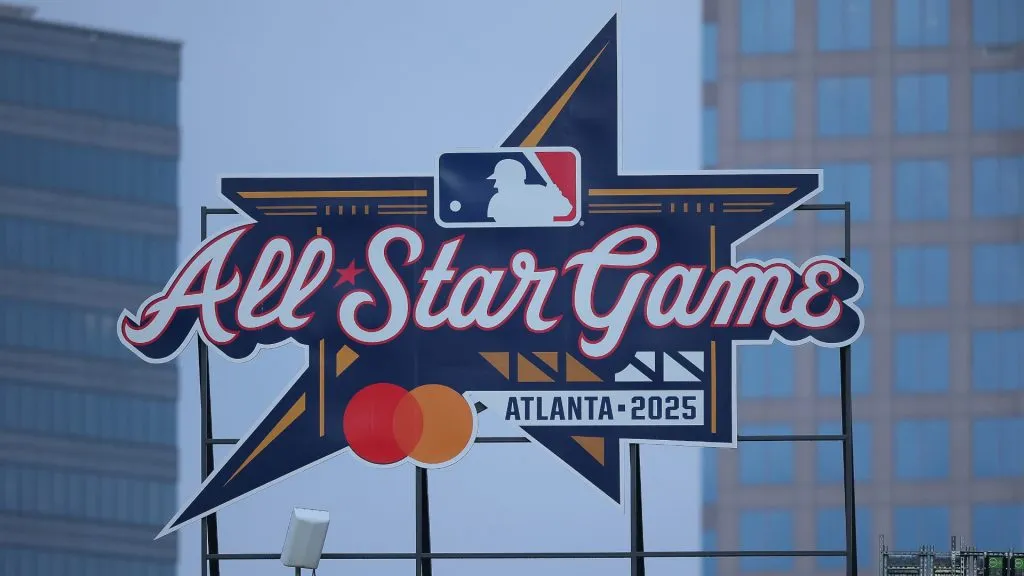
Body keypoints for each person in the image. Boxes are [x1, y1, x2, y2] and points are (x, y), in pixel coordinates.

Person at [485, 158, 571, 225]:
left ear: (513, 179)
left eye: (500, 180)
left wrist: (556, 196)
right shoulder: (497, 199)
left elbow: (566, 210)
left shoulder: (540, 192)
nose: (495, 185)